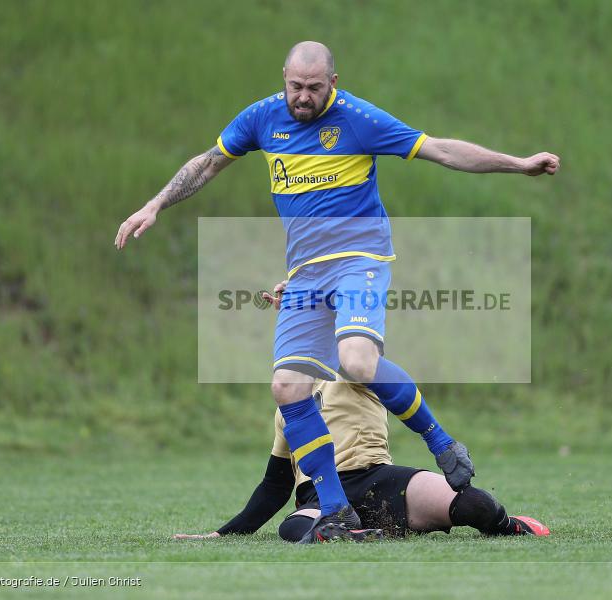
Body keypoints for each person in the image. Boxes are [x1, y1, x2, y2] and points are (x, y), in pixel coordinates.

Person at [116, 41, 560, 543]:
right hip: (304, 274)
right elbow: (207, 163)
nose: (302, 97)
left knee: (356, 361)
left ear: (333, 81)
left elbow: (439, 149)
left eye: (314, 87)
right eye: (295, 86)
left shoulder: (357, 119)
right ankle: (336, 511)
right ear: (283, 76)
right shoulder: (262, 118)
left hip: (359, 260)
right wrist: (155, 205)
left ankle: (442, 443)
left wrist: (518, 164)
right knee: (287, 387)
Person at [173, 379, 550, 542]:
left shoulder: (352, 368)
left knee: (477, 505)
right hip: (319, 497)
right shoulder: (287, 405)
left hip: (378, 481)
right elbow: (274, 487)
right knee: (293, 529)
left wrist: (312, 297)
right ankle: (357, 534)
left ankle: (510, 526)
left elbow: (361, 350)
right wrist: (223, 534)